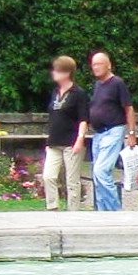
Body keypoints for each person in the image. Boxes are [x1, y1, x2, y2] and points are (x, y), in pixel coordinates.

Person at [82, 51, 138, 212]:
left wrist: (132, 134)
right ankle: (102, 212)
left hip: (113, 131)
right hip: (99, 134)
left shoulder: (117, 83)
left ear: (108, 65)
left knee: (101, 171)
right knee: (97, 175)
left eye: (99, 64)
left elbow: (129, 109)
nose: (95, 67)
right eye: (93, 64)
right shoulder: (98, 85)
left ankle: (115, 212)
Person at [42, 56, 87, 210]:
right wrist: (48, 142)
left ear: (67, 73)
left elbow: (83, 119)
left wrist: (80, 139)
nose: (53, 73)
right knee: (48, 176)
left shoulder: (78, 93)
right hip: (54, 142)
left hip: (71, 142)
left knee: (72, 181)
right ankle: (52, 208)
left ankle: (72, 213)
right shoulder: (55, 92)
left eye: (57, 70)